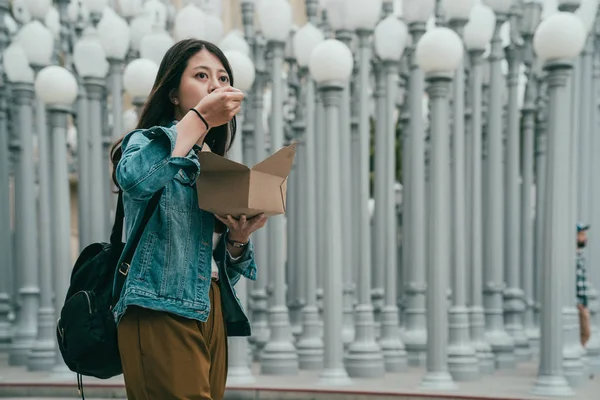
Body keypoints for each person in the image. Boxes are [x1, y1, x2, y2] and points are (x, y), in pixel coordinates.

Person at [109, 39, 267, 400]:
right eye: (201, 75)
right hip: (158, 307)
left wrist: (237, 240)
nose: (216, 85)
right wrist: (199, 119)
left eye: (224, 78)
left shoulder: (211, 163)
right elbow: (135, 179)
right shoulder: (146, 142)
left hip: (208, 310)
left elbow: (211, 262)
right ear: (174, 95)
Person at [576, 223, 591, 348]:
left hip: (582, 303)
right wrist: (579, 302)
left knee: (586, 333)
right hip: (578, 304)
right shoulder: (573, 256)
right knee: (585, 332)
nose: (585, 238)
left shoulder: (580, 255)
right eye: (581, 234)